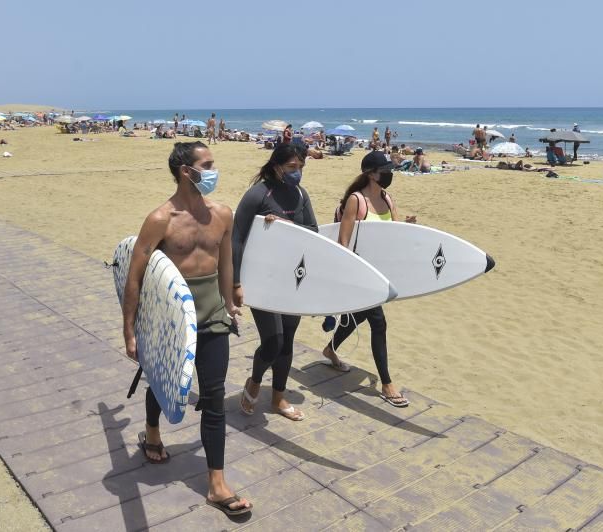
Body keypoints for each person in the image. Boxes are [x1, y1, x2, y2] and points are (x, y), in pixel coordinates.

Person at [121, 141, 252, 516]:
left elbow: (225, 264)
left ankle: (216, 483)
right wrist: (129, 330)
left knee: (213, 396)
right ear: (186, 171)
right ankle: (153, 432)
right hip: (170, 319)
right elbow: (135, 276)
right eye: (207, 165)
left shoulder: (222, 214)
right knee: (163, 379)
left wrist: (229, 303)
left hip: (212, 317)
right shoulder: (160, 219)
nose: (213, 171)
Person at [323, 151, 416, 407]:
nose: (389, 173)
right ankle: (387, 384)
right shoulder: (356, 200)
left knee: (360, 316)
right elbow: (343, 241)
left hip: (380, 271)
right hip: (359, 272)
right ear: (370, 173)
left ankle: (330, 349)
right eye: (384, 169)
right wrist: (348, 273)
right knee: (378, 322)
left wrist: (408, 226)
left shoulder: (387, 198)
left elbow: (393, 235)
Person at [234, 144, 316, 422]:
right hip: (262, 279)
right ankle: (255, 381)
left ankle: (278, 397)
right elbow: (236, 239)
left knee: (288, 340)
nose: (298, 173)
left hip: (293, 279)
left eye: (301, 167)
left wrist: (284, 225)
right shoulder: (258, 194)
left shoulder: (300, 194)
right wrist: (235, 282)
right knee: (273, 342)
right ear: (277, 165)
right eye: (292, 167)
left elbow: (314, 232)